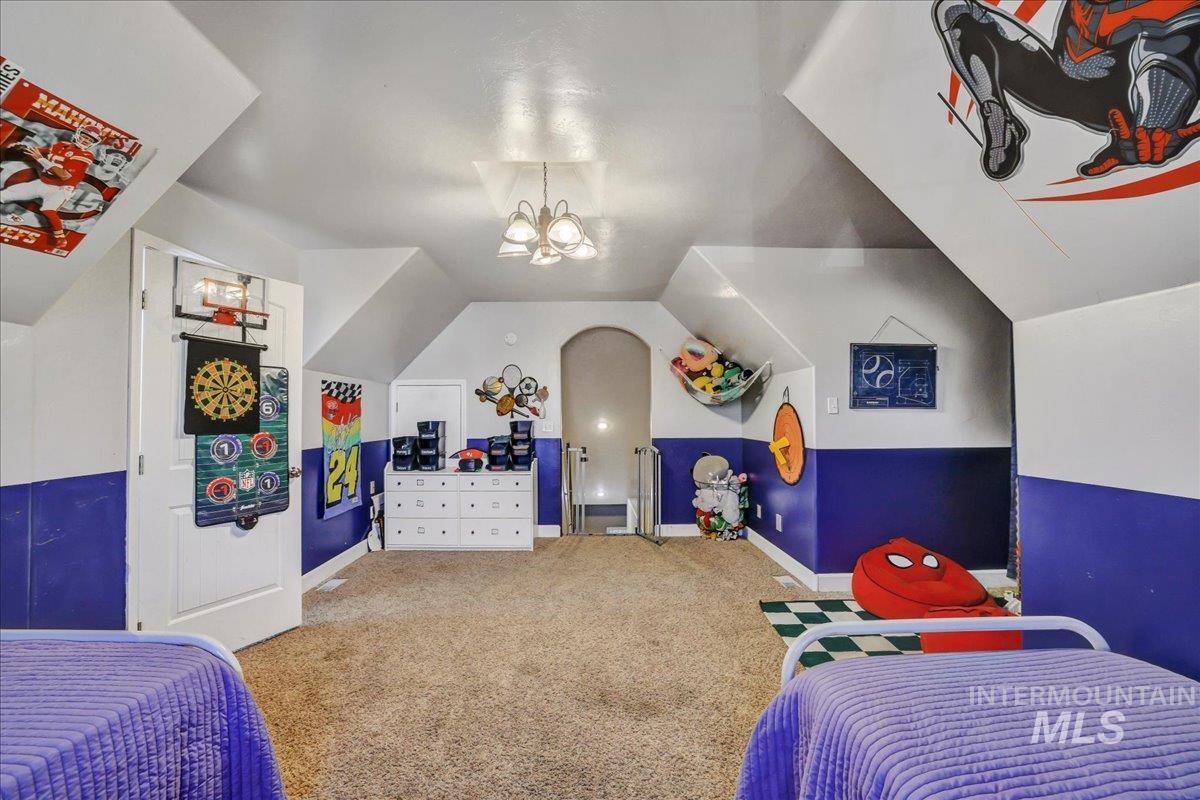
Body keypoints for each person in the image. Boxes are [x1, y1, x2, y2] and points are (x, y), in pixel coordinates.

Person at [932, 0, 1200, 180]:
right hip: (1055, 84)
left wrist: (1152, 127)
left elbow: (1170, 60)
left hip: (1116, 110)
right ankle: (997, 114)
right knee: (953, 9)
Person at [0, 124, 102, 245]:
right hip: (43, 182)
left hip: (61, 188)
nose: (86, 141)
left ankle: (60, 238)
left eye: (90, 140)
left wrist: (40, 159)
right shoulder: (61, 145)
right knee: (6, 194)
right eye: (85, 137)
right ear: (78, 134)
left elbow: (65, 175)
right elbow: (41, 152)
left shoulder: (86, 155)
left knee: (48, 211)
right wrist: (24, 149)